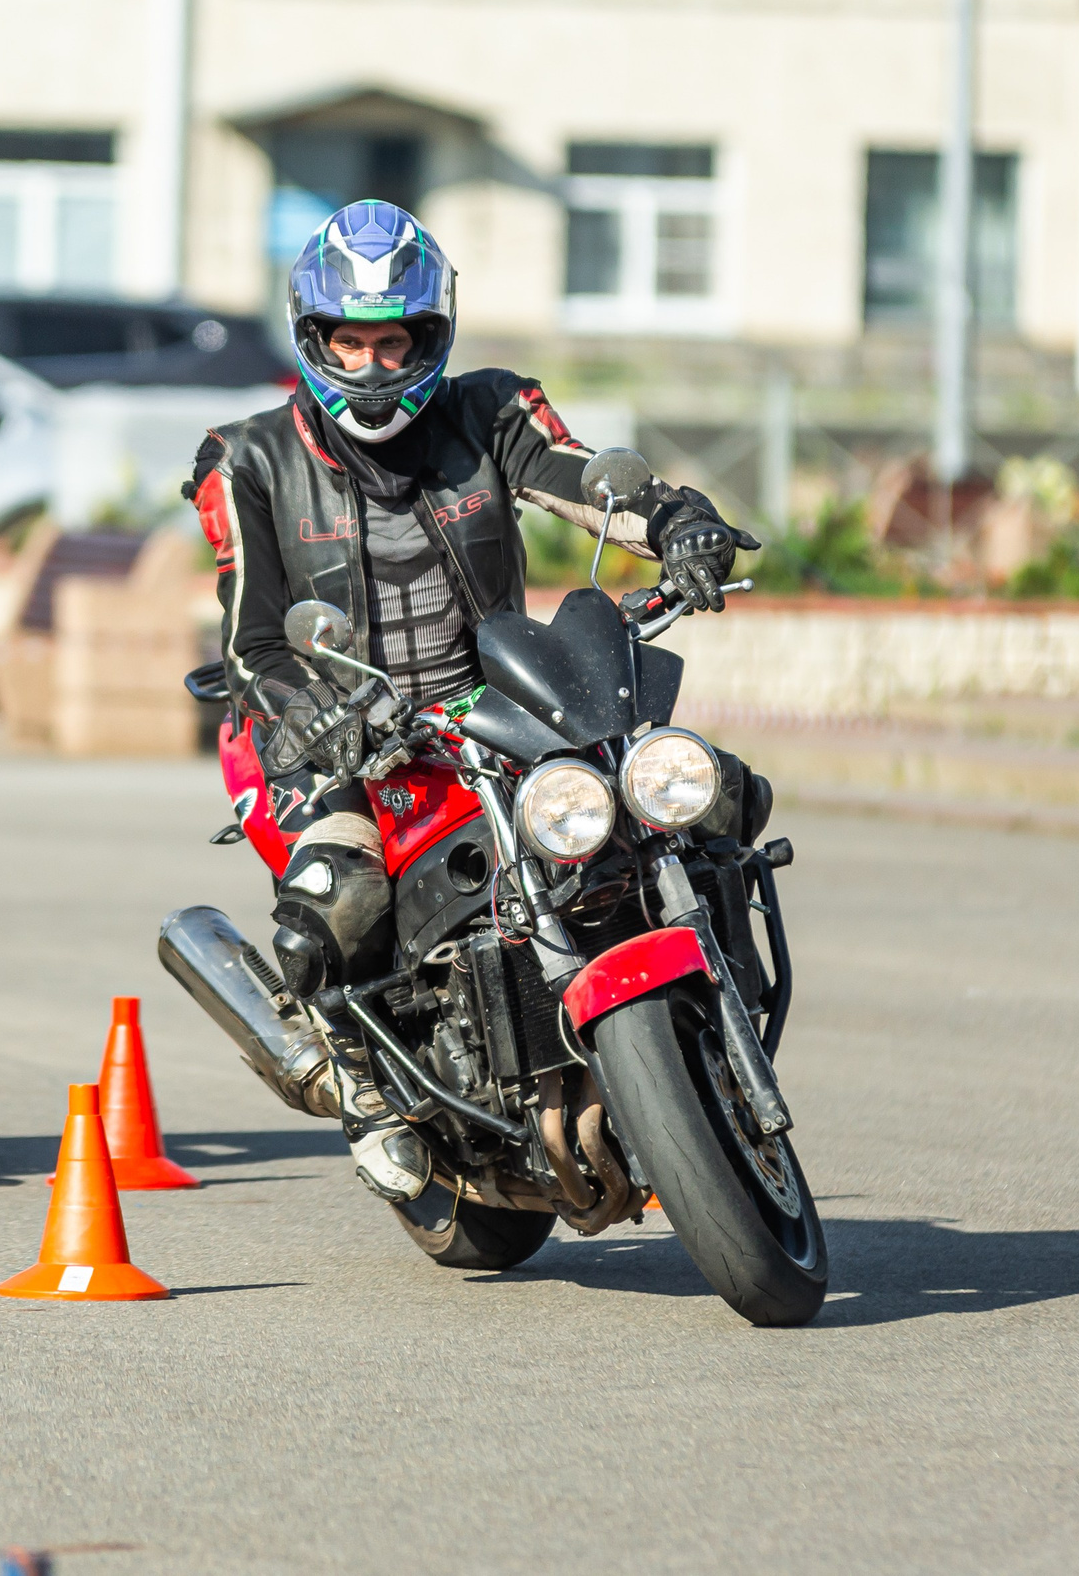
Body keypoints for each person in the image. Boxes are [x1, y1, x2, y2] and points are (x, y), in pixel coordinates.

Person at [188, 200, 757, 1204]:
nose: (370, 367)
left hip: (498, 709)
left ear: (430, 335)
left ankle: (712, 1007)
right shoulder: (247, 458)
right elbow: (251, 641)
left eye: (392, 341)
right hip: (323, 731)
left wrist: (677, 520)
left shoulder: (492, 411)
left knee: (707, 797)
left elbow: (588, 485)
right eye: (349, 344)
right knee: (337, 900)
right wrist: (316, 709)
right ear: (315, 339)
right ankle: (359, 1076)